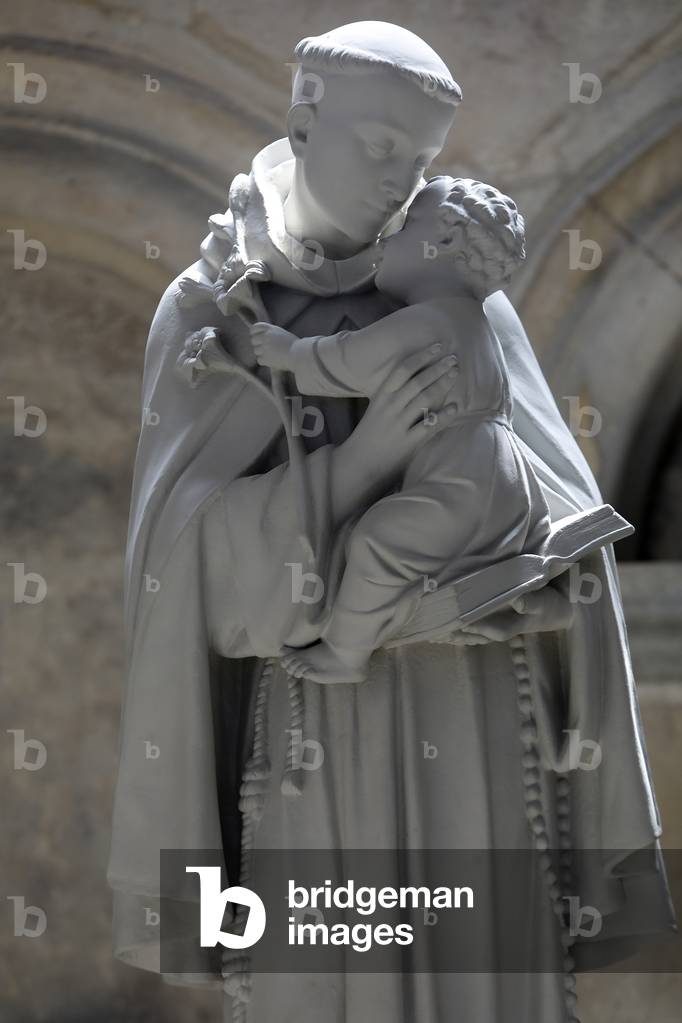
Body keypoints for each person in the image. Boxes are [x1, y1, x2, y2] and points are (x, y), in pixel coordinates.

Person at [107, 21, 677, 1023]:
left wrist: (534, 583)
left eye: (419, 162)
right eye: (380, 147)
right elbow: (185, 577)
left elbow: (554, 510)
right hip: (320, 739)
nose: (397, 181)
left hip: (478, 715)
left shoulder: (466, 302)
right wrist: (366, 464)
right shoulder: (212, 313)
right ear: (303, 117)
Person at [249, 175, 551, 683]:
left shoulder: (428, 321)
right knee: (469, 548)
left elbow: (355, 359)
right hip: (506, 480)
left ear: (449, 242)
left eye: (407, 224)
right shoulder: (478, 326)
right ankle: (515, 599)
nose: (386, 237)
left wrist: (290, 352)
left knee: (376, 544)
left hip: (459, 482)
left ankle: (346, 651)